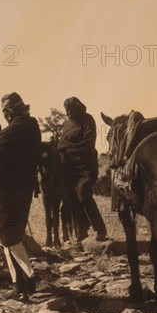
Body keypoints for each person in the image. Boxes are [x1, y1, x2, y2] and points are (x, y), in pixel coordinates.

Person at [0, 92, 41, 298]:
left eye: (6, 112)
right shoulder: (32, 127)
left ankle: (30, 278)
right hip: (23, 188)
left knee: (7, 234)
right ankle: (19, 283)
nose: (5, 116)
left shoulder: (11, 131)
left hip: (4, 191)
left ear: (10, 112)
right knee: (9, 233)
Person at [58, 97, 108, 243]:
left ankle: (100, 229)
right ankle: (82, 233)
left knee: (83, 192)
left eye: (71, 109)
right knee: (73, 198)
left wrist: (69, 150)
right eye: (66, 110)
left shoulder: (88, 120)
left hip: (86, 165)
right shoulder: (67, 124)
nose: (68, 112)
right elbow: (61, 145)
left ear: (78, 107)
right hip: (69, 167)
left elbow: (88, 143)